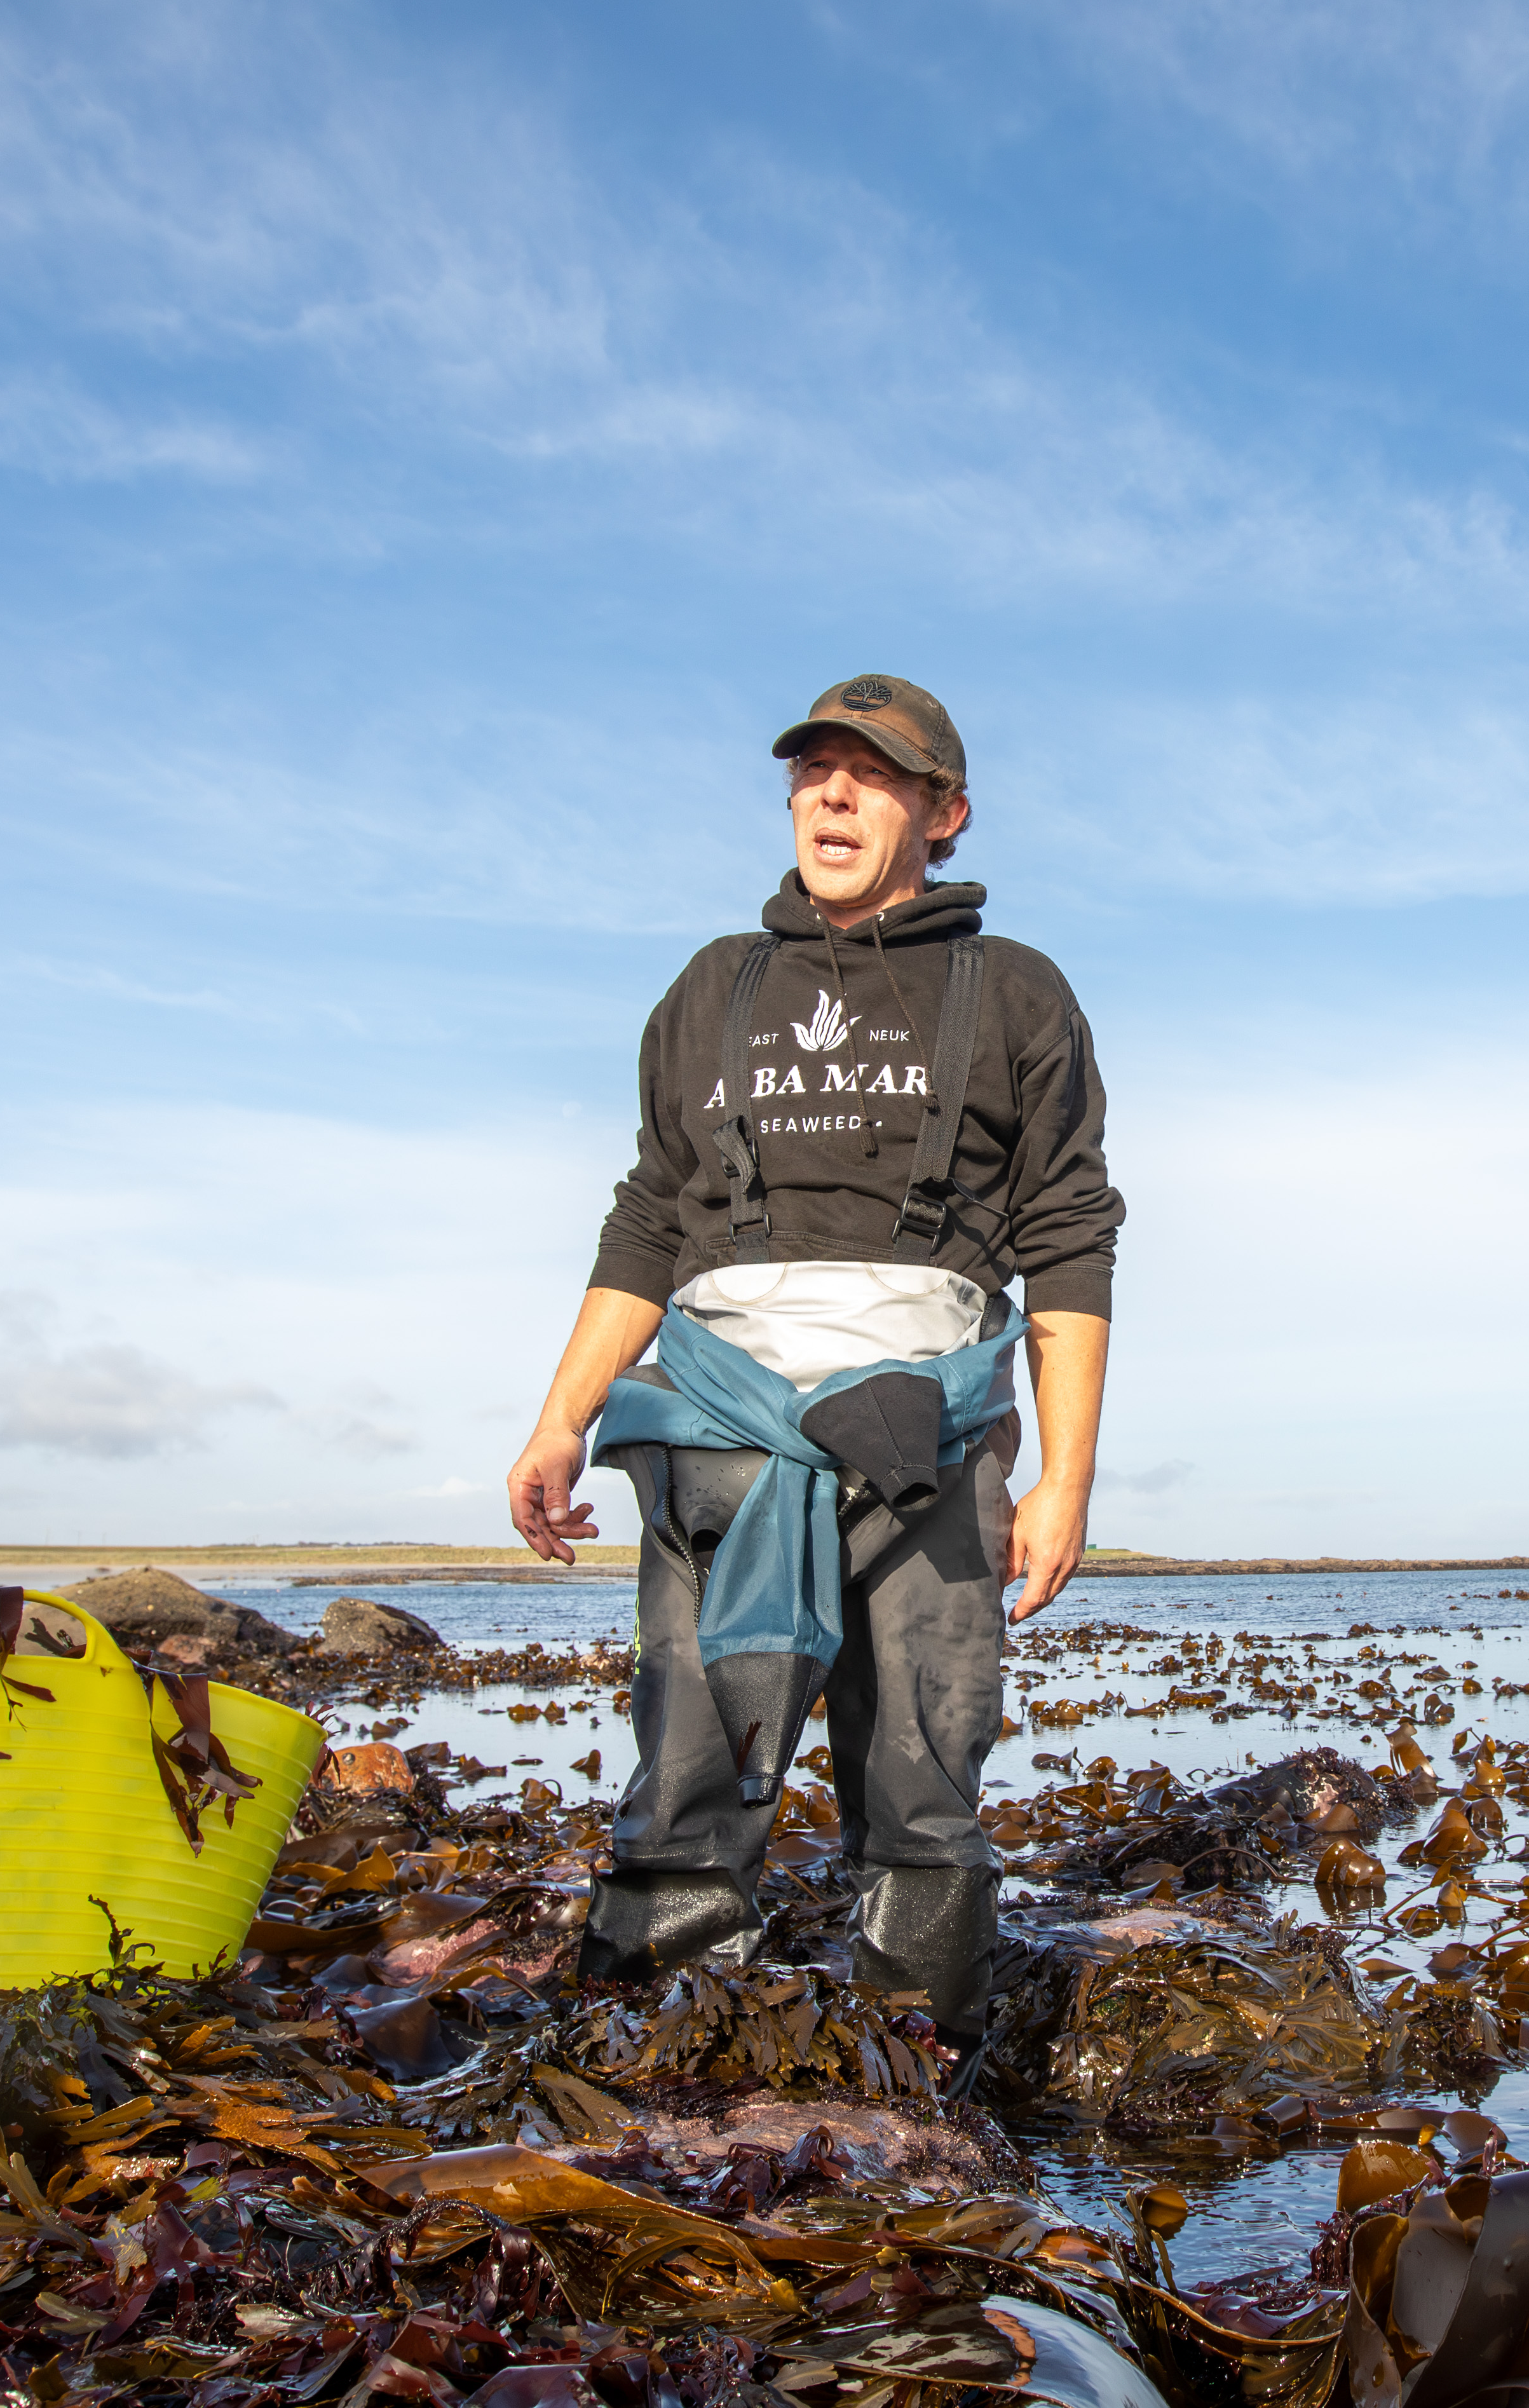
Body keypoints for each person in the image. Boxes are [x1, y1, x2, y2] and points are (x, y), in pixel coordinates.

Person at [504, 673, 1122, 2066]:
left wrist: (1067, 1476)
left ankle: (914, 2084)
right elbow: (647, 1219)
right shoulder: (710, 984)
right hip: (718, 1432)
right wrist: (559, 1419)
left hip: (931, 1438)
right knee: (683, 1784)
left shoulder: (1016, 990)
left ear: (942, 812)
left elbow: (1069, 1237)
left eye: (874, 773)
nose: (832, 794)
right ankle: (649, 2067)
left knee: (920, 1789)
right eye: (812, 770)